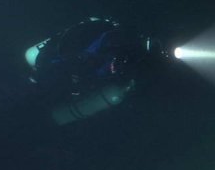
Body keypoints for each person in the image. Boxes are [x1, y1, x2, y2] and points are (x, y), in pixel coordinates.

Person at [24, 17, 165, 125]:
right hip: (86, 70)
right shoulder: (66, 70)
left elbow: (97, 63)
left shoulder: (62, 66)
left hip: (87, 67)